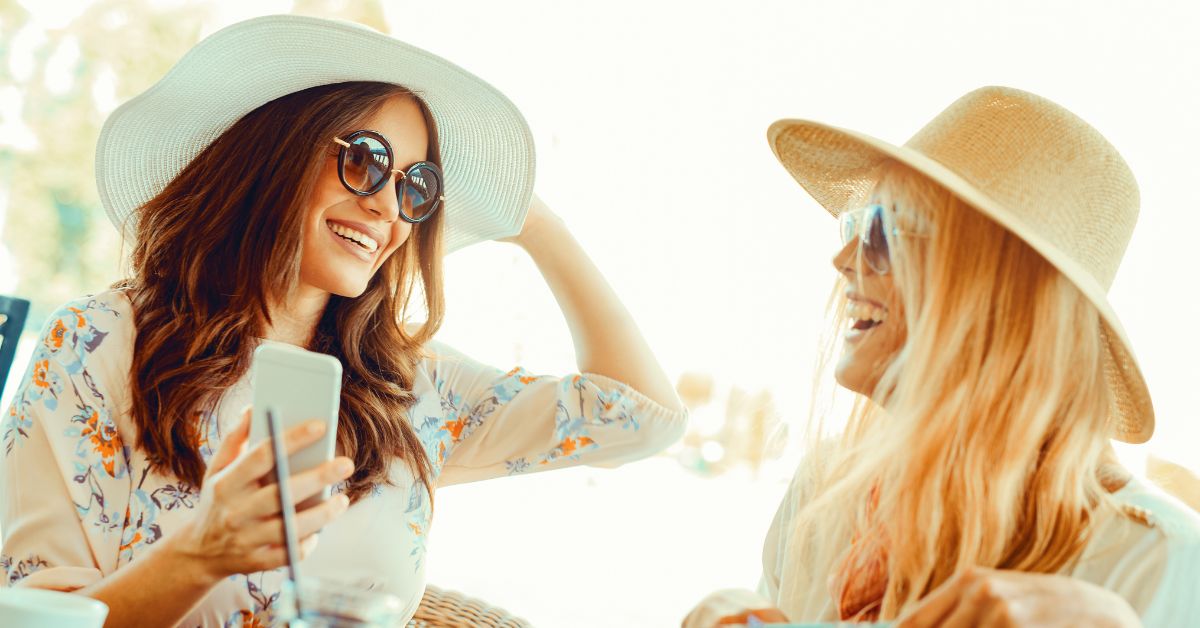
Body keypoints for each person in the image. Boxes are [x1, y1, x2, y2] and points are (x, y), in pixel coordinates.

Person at [0, 15, 686, 626]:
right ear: (276, 151)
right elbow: (36, 617)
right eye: (365, 161)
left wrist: (535, 222)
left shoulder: (415, 389)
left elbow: (646, 415)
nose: (390, 207)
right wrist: (200, 555)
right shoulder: (99, 343)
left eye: (418, 188)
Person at [685, 86, 1200, 627]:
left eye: (882, 230)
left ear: (1003, 295)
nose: (842, 259)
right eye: (855, 226)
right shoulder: (824, 489)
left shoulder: (1157, 562)